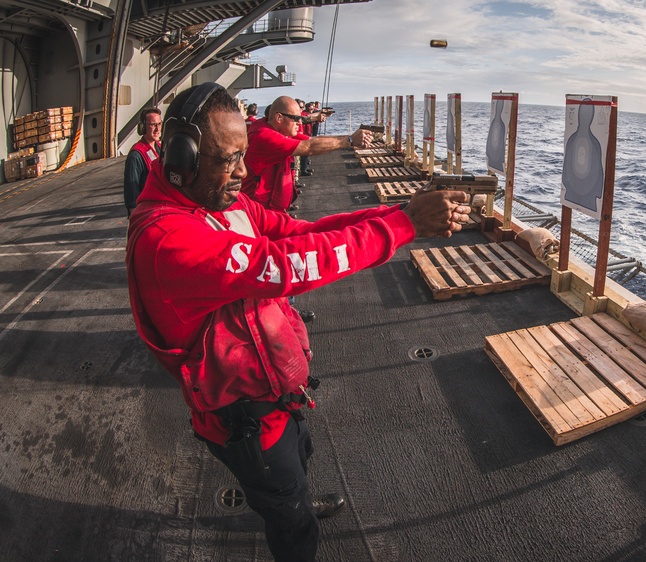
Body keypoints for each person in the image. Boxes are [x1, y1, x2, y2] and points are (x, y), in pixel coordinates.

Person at [125, 82, 468, 562]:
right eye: (228, 159)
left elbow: (298, 232)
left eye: (244, 155)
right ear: (182, 160)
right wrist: (404, 226)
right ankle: (294, 512)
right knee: (289, 520)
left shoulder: (219, 203)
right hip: (243, 417)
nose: (243, 172)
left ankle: (298, 495)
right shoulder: (168, 237)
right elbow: (289, 265)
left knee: (300, 457)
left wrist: (400, 210)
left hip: (273, 394)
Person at [123, 107, 162, 216]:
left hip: (160, 208)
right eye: (153, 125)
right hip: (147, 212)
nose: (157, 129)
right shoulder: (136, 156)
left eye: (159, 124)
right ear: (143, 127)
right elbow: (132, 190)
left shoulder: (160, 148)